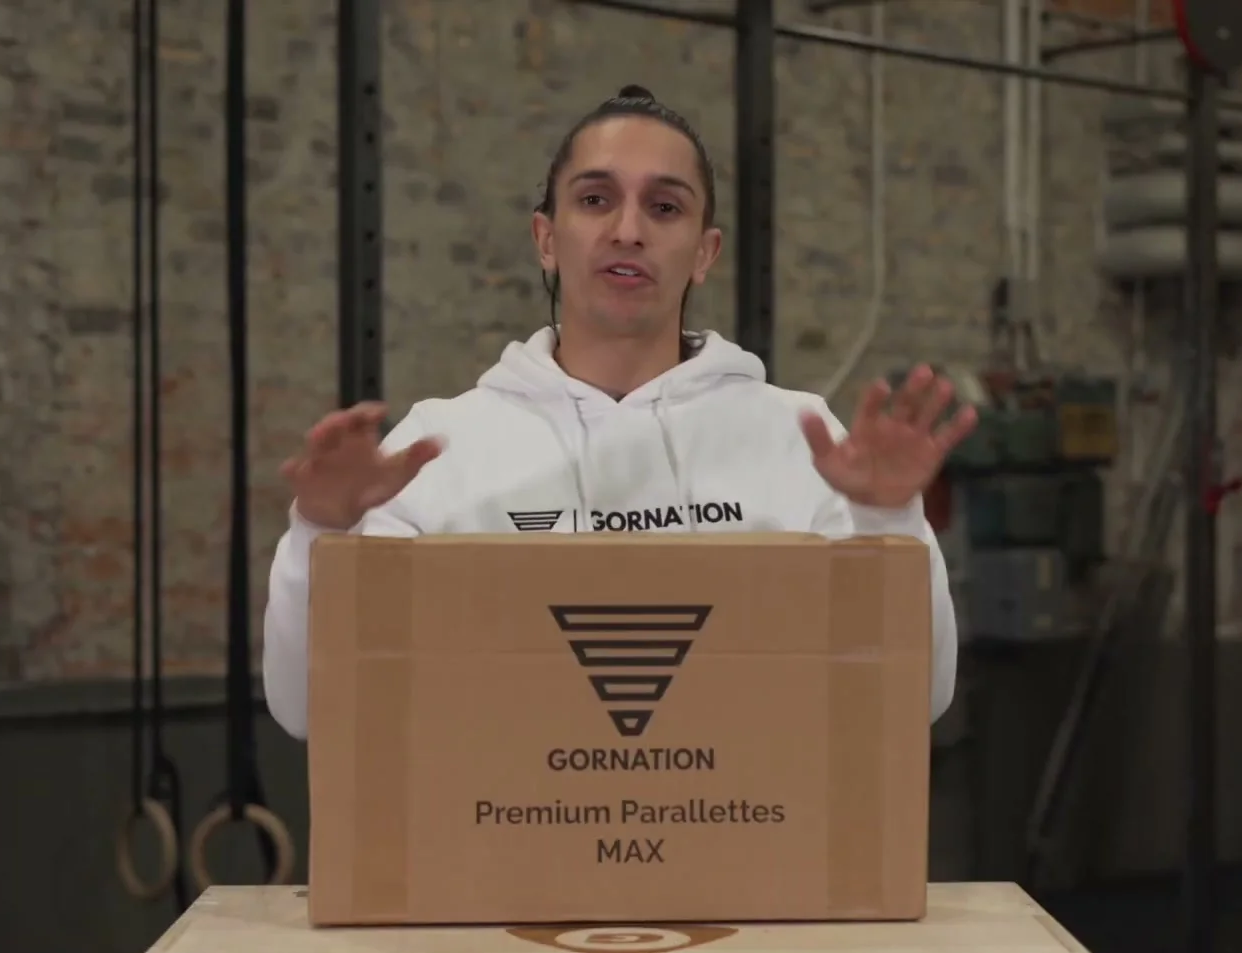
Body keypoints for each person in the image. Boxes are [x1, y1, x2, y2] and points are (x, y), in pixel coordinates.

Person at [262, 85, 975, 740]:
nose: (628, 230)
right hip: (507, 840)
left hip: (737, 837)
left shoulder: (800, 443)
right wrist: (320, 531)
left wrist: (889, 519)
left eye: (664, 208)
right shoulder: (439, 449)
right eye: (596, 199)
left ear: (704, 253)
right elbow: (311, 712)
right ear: (546, 239)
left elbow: (914, 699)